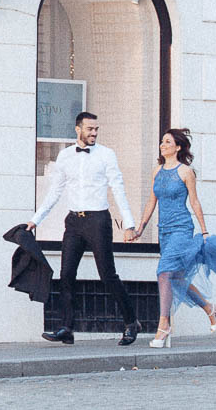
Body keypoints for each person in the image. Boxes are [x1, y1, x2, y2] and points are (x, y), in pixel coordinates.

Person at [130, 128, 216, 347]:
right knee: (176, 278)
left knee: (164, 273)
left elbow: (194, 202)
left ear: (177, 147)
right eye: (162, 142)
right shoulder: (156, 171)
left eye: (167, 142)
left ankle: (163, 325)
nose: (162, 145)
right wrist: (140, 228)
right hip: (164, 231)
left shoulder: (185, 172)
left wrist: (204, 231)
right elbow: (151, 202)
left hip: (181, 229)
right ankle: (209, 308)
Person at [28, 111, 139, 345]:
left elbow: (118, 188)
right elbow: (55, 191)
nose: (94, 133)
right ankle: (66, 328)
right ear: (78, 129)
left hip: (98, 220)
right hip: (73, 221)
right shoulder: (65, 156)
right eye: (90, 129)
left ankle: (131, 322)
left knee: (107, 275)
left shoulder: (107, 155)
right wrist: (36, 220)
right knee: (66, 275)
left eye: (96, 129)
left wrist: (129, 224)